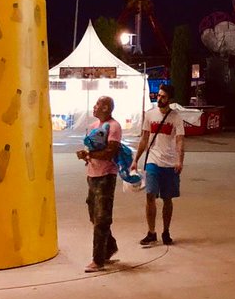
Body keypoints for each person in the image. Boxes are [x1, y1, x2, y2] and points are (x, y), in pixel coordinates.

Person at [130, 82, 185, 247]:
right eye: (159, 95)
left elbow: (180, 140)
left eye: (163, 96)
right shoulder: (150, 115)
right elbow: (144, 139)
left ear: (169, 99)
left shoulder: (176, 117)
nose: (159, 98)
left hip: (169, 163)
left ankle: (166, 231)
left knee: (167, 199)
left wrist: (179, 160)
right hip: (152, 161)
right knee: (150, 195)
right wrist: (135, 160)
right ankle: (151, 232)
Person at [76, 95, 122, 272]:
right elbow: (92, 149)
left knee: (102, 217)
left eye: (97, 105)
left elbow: (110, 151)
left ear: (106, 108)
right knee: (93, 215)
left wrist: (91, 155)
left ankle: (98, 259)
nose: (94, 107)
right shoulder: (94, 127)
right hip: (92, 175)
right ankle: (109, 247)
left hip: (106, 176)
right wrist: (86, 155)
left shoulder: (114, 127)